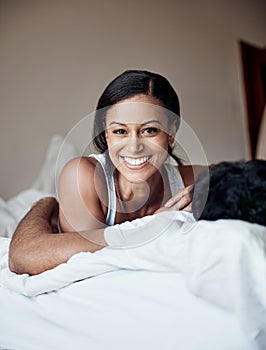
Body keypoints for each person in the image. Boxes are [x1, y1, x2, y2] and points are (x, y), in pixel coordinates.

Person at [9, 70, 205, 275]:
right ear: (107, 135)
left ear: (171, 134)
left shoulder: (197, 182)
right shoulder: (81, 175)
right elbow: (32, 260)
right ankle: (41, 203)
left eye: (149, 130)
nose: (134, 146)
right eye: (120, 131)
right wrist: (154, 224)